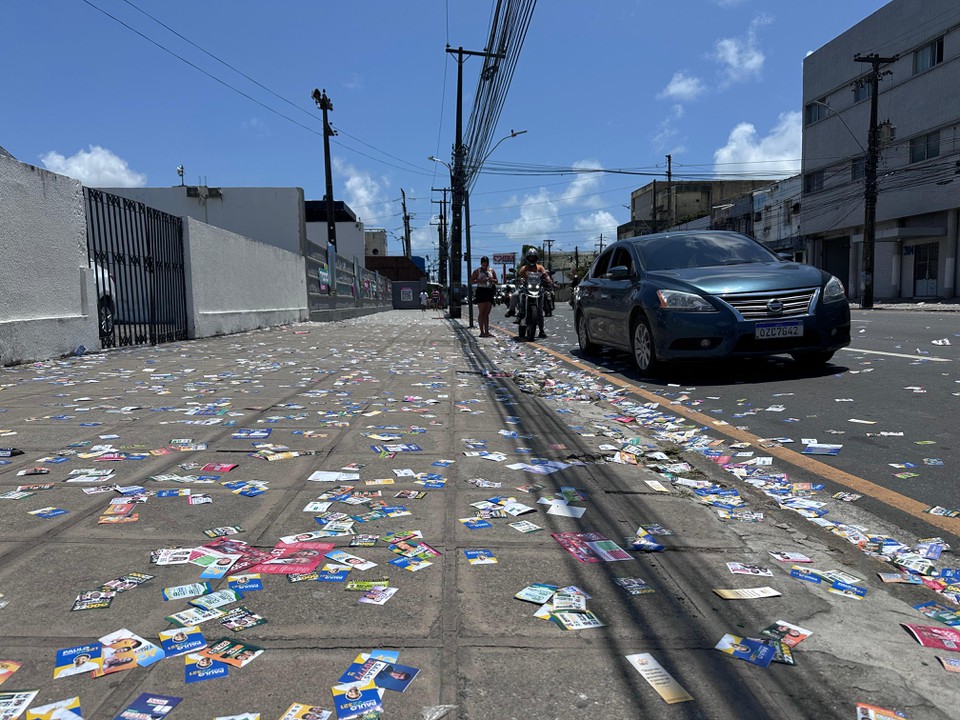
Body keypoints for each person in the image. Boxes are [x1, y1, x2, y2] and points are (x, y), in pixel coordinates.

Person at [507, 249, 552, 338]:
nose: (532, 259)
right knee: (515, 295)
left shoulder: (540, 267)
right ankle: (511, 310)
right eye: (530, 257)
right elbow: (520, 276)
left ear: (536, 258)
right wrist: (520, 279)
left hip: (537, 289)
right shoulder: (524, 268)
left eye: (533, 257)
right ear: (527, 258)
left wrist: (548, 279)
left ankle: (541, 330)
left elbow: (545, 275)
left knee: (539, 310)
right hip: (526, 288)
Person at [470, 256, 498, 337]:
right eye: (483, 263)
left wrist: (491, 279)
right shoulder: (477, 271)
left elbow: (496, 281)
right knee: (481, 312)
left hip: (489, 291)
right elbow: (471, 281)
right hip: (481, 291)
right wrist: (480, 280)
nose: (485, 264)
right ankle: (481, 331)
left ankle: (487, 331)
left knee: (487, 313)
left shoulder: (491, 270)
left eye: (486, 263)